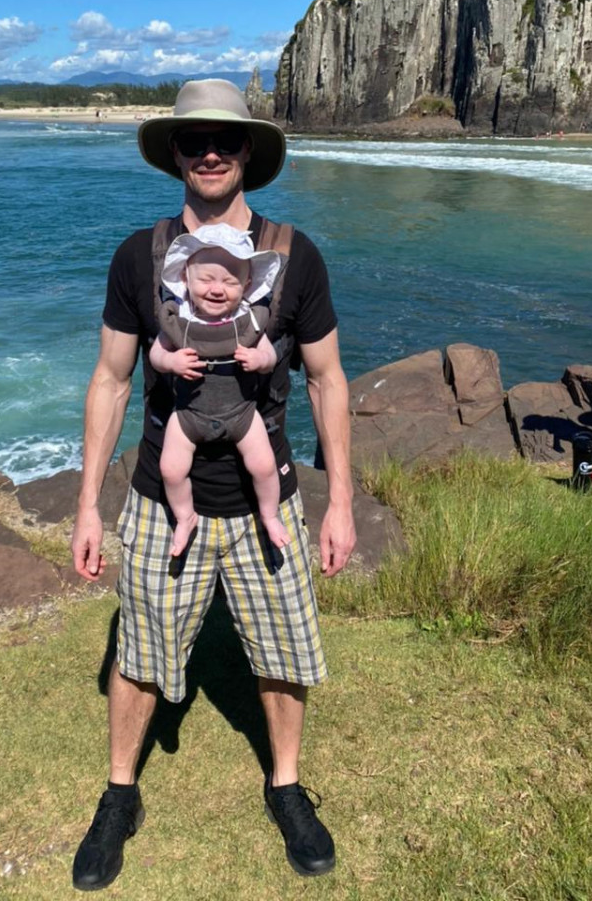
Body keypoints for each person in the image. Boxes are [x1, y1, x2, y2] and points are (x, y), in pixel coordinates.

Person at [71, 78, 356, 890]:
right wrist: (89, 505)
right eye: (193, 138)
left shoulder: (292, 257)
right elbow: (111, 380)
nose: (208, 151)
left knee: (281, 651)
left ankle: (287, 784)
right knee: (139, 651)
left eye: (225, 140)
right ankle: (119, 793)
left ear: (247, 155)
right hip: (166, 500)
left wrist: (338, 501)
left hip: (267, 501)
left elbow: (330, 379)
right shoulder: (140, 255)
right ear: (172, 152)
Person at [149, 222, 289, 555]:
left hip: (241, 413)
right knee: (171, 469)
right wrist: (172, 364)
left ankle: (269, 515)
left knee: (264, 466)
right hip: (188, 415)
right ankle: (184, 517)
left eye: (230, 281)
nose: (217, 289)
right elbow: (156, 354)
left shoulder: (250, 320)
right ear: (185, 277)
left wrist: (259, 359)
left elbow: (270, 354)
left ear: (247, 284)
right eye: (206, 279)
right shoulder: (179, 319)